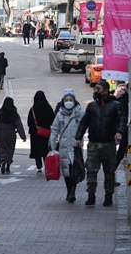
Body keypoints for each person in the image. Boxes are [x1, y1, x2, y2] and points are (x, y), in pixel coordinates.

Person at [75, 80, 125, 208]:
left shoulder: (115, 105)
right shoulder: (91, 106)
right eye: (95, 89)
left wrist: (119, 131)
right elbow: (84, 122)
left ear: (105, 90)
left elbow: (121, 119)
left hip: (109, 144)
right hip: (93, 144)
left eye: (98, 89)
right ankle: (91, 195)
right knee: (91, 170)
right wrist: (78, 137)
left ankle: (108, 196)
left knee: (109, 172)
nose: (96, 91)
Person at [50, 90, 85, 203]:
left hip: (76, 146)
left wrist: (80, 138)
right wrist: (52, 142)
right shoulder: (60, 114)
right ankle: (69, 190)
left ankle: (73, 190)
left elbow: (85, 126)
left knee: (75, 169)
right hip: (64, 146)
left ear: (74, 101)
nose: (68, 102)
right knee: (66, 170)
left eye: (71, 100)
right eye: (66, 100)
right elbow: (55, 129)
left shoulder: (80, 113)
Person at [0, 97, 26, 174]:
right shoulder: (14, 113)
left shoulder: (0, 113)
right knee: (10, 149)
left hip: (1, 133)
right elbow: (19, 125)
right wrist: (23, 136)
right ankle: (8, 166)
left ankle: (3, 159)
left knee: (2, 148)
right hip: (11, 133)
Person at [27, 91, 54, 174]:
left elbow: (29, 122)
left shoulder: (32, 110)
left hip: (35, 133)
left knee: (37, 150)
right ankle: (46, 163)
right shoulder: (48, 108)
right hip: (45, 133)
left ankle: (39, 167)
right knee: (45, 149)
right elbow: (53, 119)